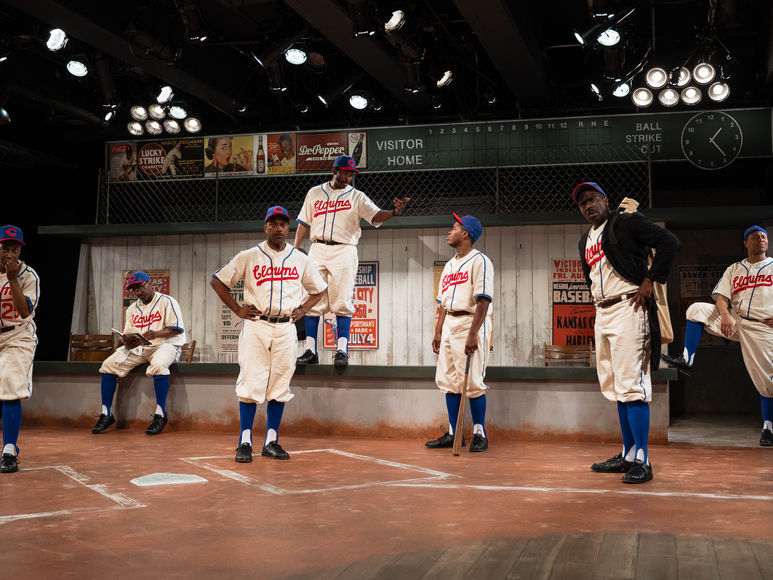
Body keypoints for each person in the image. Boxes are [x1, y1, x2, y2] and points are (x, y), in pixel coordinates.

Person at [574, 182, 679, 484]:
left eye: (592, 199)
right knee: (616, 386)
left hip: (630, 306)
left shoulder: (625, 222)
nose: (588, 206)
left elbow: (669, 242)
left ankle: (643, 460)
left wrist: (650, 281)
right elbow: (591, 276)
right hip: (603, 311)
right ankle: (628, 453)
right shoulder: (586, 240)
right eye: (582, 203)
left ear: (605, 200)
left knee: (632, 386)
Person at [211, 206, 327, 462]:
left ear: (289, 228)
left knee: (280, 383)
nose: (278, 228)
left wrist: (304, 309)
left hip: (286, 327)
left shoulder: (300, 258)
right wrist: (237, 309)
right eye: (273, 223)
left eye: (283, 224)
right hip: (257, 325)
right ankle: (244, 441)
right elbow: (218, 280)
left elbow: (319, 288)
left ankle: (271, 441)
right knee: (251, 381)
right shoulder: (249, 256)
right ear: (265, 227)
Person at [294, 155, 409, 369]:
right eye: (345, 172)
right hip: (317, 247)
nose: (348, 177)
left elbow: (376, 215)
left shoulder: (357, 197)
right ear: (334, 170)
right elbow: (303, 223)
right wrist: (294, 249)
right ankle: (311, 350)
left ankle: (342, 350)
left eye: (351, 173)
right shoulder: (314, 193)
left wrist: (393, 213)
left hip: (344, 250)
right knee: (310, 299)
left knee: (342, 300)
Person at [661, 225, 773, 446]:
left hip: (763, 328)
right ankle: (687, 359)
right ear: (746, 243)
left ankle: (768, 427)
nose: (760, 239)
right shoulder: (735, 269)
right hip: (737, 321)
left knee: (767, 382)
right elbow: (721, 296)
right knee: (696, 310)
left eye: (763, 236)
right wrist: (724, 315)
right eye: (754, 236)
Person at [425, 214, 493, 452]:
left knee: (472, 381)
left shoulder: (480, 261)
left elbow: (483, 301)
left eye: (454, 228)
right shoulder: (450, 265)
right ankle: (455, 433)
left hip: (470, 322)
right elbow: (443, 302)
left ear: (466, 233)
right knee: (449, 381)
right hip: (450, 325)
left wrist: (473, 334)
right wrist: (438, 330)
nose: (449, 232)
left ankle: (479, 433)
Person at [92, 271, 186, 436]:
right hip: (141, 347)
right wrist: (127, 341)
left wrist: (157, 334)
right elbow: (129, 332)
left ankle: (160, 414)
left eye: (140, 287)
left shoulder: (167, 301)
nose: (138, 292)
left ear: (150, 283)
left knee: (158, 365)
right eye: (134, 290)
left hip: (165, 344)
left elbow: (176, 328)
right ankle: (106, 413)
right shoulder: (132, 309)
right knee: (108, 365)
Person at [0, 226, 40, 474]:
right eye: (5, 248)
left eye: (15, 249)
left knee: (10, 384)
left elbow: (24, 312)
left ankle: (9, 449)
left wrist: (12, 278)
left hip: (17, 335)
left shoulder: (28, 275)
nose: (10, 254)